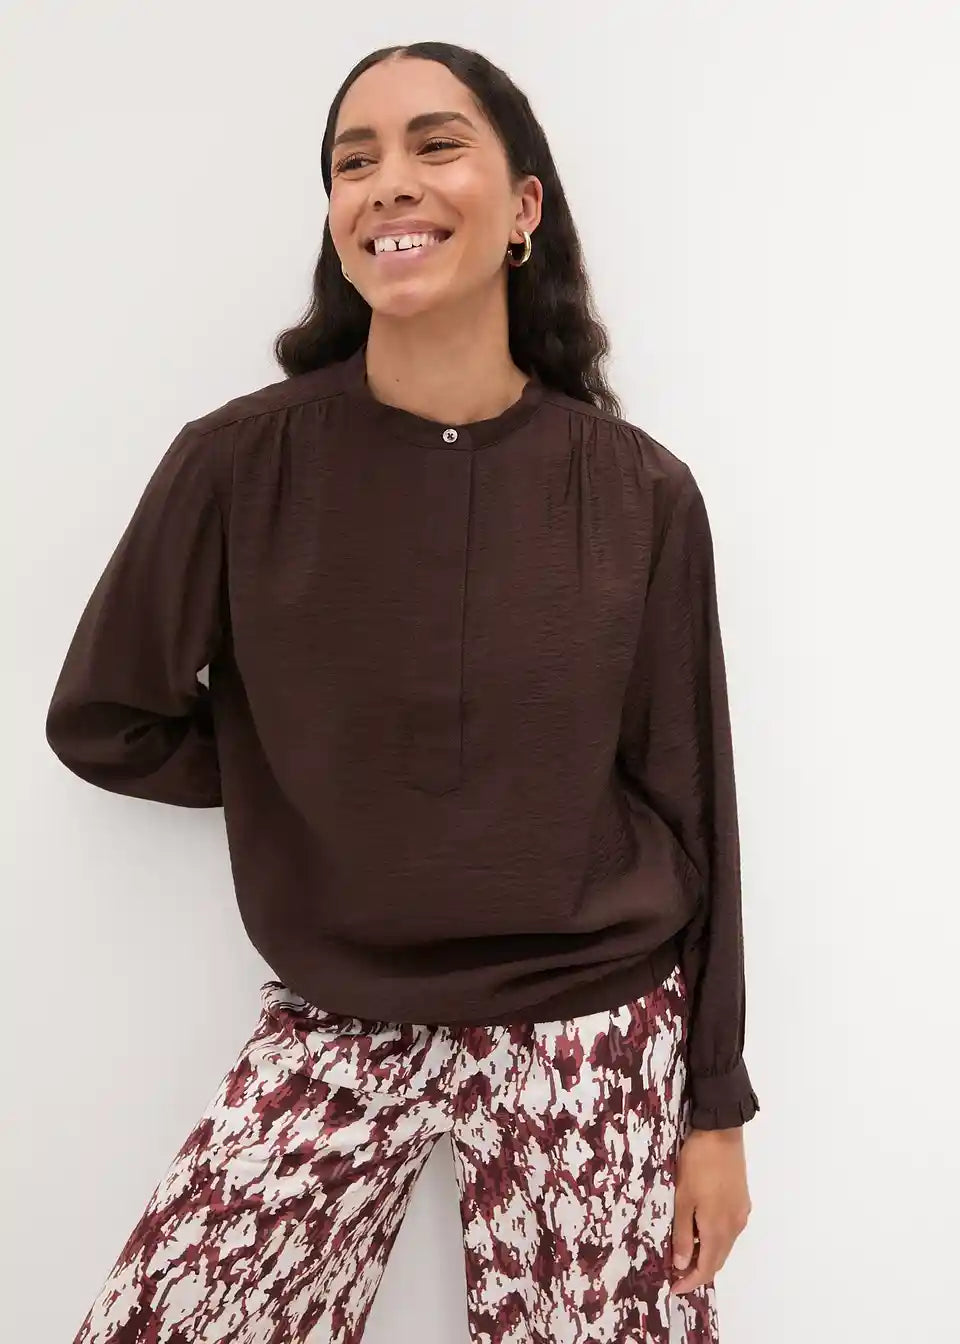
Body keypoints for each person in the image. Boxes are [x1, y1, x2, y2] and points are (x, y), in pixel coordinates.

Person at [46, 39, 758, 1344]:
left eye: (436, 145)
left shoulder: (637, 492)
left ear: (524, 207)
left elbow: (694, 803)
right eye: (353, 161)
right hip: (339, 1018)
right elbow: (105, 717)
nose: (389, 182)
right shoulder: (238, 464)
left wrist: (714, 1108)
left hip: (589, 1022)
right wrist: (298, 768)